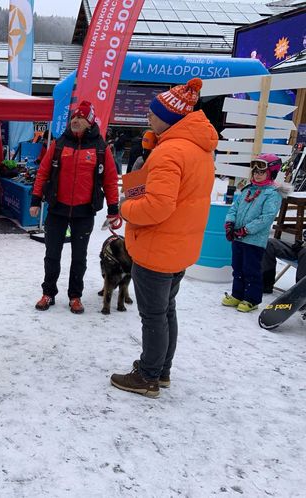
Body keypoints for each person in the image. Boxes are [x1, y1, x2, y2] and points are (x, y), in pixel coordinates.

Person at [110, 78, 216, 398]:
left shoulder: (170, 153)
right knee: (166, 310)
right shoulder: (195, 148)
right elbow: (167, 195)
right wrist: (142, 162)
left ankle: (148, 376)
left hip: (158, 247)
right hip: (178, 247)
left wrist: (125, 208)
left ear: (170, 118)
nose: (148, 117)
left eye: (154, 113)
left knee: (153, 315)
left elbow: (157, 206)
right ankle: (162, 370)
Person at [29, 100, 120, 314]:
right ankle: (48, 292)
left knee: (79, 257)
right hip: (57, 209)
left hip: (84, 211)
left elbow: (109, 179)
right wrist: (35, 200)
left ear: (89, 122)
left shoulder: (100, 147)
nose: (76, 120)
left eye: (81, 117)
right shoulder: (59, 144)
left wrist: (113, 208)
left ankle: (75, 295)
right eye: (73, 118)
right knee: (52, 254)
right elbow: (43, 172)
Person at [222, 154, 284, 312]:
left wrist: (246, 230)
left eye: (261, 172)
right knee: (237, 267)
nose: (256, 175)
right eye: (255, 171)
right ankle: (237, 294)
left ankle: (251, 299)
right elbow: (234, 208)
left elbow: (266, 218)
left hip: (254, 241)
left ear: (271, 173)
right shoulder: (247, 190)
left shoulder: (272, 194)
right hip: (238, 238)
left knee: (251, 270)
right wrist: (230, 224)